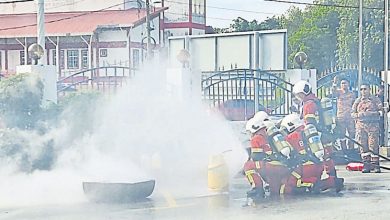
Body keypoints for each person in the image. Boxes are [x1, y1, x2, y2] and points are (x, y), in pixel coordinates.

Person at [280, 113, 344, 194]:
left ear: (290, 125)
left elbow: (285, 153)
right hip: (318, 167)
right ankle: (331, 181)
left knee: (287, 185)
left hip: (303, 169)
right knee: (310, 181)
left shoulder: (291, 137)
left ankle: (318, 184)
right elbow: (328, 156)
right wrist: (331, 173)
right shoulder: (315, 134)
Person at [292, 80, 342, 183]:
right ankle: (333, 177)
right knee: (328, 156)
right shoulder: (315, 100)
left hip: (316, 134)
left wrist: (310, 135)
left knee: (317, 156)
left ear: (303, 93)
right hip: (325, 133)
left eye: (299, 94)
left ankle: (319, 179)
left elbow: (309, 121)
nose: (298, 97)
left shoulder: (308, 104)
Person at [243, 111, 290, 199]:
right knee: (275, 193)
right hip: (282, 166)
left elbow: (256, 157)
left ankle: (257, 188)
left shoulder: (256, 138)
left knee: (248, 166)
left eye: (249, 132)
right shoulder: (270, 135)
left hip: (271, 166)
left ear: (254, 128)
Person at [351, 84, 383, 173]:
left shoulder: (375, 100)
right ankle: (366, 165)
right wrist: (359, 115)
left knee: (373, 146)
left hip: (372, 126)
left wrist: (371, 114)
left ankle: (375, 165)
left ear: (369, 90)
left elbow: (381, 112)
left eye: (365, 89)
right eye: (361, 89)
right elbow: (352, 113)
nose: (363, 91)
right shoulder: (357, 101)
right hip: (361, 127)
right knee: (363, 146)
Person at [332, 77, 356, 151]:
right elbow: (333, 92)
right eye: (342, 83)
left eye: (345, 83)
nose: (344, 85)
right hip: (341, 117)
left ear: (348, 84)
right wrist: (334, 83)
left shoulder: (352, 94)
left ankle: (351, 149)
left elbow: (354, 104)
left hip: (350, 117)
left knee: (352, 134)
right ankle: (344, 150)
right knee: (342, 135)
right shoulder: (338, 93)